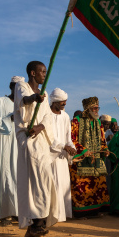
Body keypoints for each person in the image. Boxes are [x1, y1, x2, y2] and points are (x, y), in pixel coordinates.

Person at [14, 61, 59, 237]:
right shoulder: (21, 85)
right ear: (33, 73)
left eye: (46, 71)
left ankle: (39, 222)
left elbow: (48, 116)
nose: (44, 75)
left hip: (40, 138)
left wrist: (40, 127)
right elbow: (23, 100)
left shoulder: (44, 93)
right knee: (34, 181)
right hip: (27, 138)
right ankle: (34, 224)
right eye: (42, 72)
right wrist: (34, 99)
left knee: (44, 179)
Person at [69, 96, 110, 218]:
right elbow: (71, 139)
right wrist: (83, 150)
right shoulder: (76, 121)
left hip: (96, 160)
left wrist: (105, 150)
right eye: (95, 108)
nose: (97, 110)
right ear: (88, 109)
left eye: (98, 108)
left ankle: (96, 210)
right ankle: (82, 212)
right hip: (81, 160)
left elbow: (103, 140)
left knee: (98, 186)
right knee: (81, 187)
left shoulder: (98, 122)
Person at [0, 77, 22, 226]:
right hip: (4, 145)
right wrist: (10, 119)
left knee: (20, 177)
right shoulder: (1, 101)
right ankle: (5, 215)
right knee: (5, 177)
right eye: (16, 86)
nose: (19, 89)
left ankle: (20, 212)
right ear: (11, 87)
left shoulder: (25, 104)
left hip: (20, 145)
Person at [49, 88, 76, 221]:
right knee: (52, 185)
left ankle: (62, 214)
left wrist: (71, 147)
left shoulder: (65, 116)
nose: (64, 104)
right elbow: (47, 137)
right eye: (62, 102)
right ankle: (52, 215)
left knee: (63, 184)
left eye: (65, 101)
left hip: (62, 158)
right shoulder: (46, 114)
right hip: (50, 157)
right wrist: (63, 146)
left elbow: (68, 138)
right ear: (54, 101)